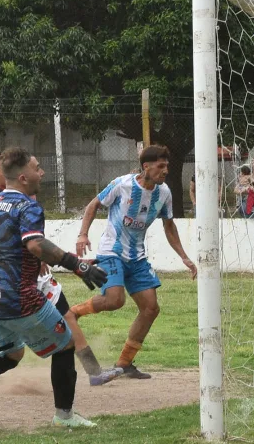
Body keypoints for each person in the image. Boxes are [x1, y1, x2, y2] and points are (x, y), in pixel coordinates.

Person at [0, 146, 109, 428]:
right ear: (24, 177)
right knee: (65, 345)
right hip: (18, 298)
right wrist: (78, 265)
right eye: (37, 168)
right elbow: (35, 244)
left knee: (11, 354)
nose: (42, 172)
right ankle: (64, 417)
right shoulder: (28, 206)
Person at [72, 145, 198, 379]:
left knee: (150, 308)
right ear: (146, 167)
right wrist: (83, 234)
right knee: (115, 300)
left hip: (137, 257)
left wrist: (184, 256)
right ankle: (73, 312)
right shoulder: (122, 184)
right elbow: (93, 205)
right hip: (112, 252)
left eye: (167, 166)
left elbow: (169, 225)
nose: (165, 171)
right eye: (161, 166)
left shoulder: (164, 193)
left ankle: (125, 363)